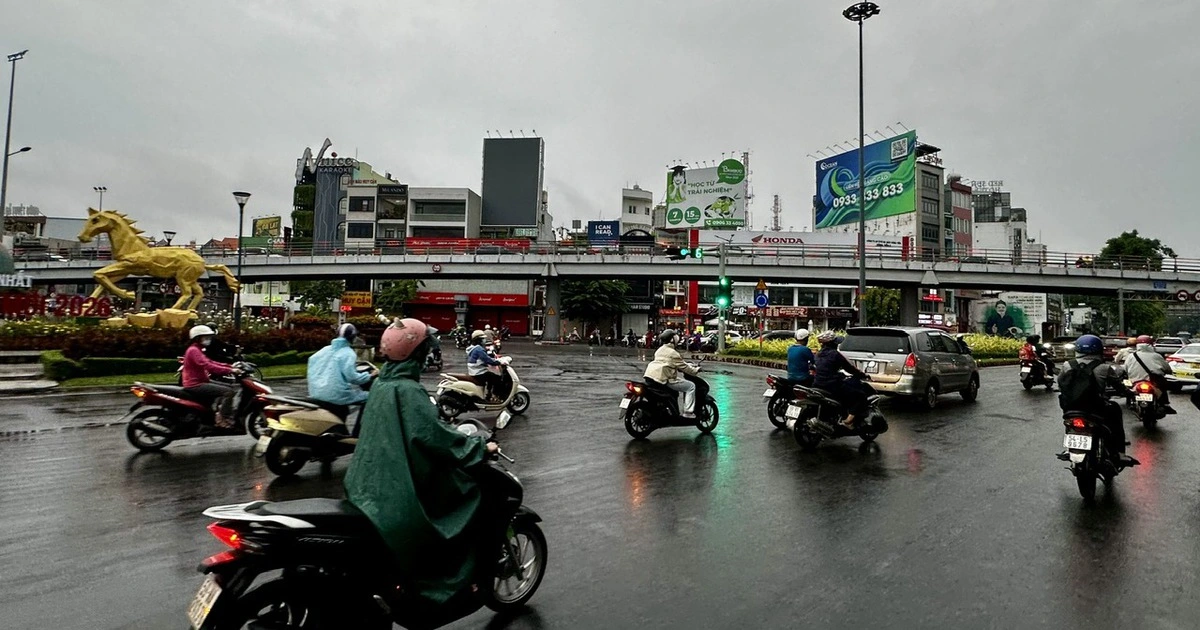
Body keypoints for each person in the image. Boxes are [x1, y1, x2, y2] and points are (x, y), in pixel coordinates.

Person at [344, 318, 501, 615]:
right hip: (396, 493)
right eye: (424, 350)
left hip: (365, 484)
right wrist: (479, 446)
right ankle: (448, 583)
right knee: (468, 495)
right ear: (415, 354)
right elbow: (437, 439)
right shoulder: (408, 391)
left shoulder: (381, 384)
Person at [1058, 335, 1136, 465]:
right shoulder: (1104, 368)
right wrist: (1128, 393)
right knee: (1115, 413)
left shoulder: (1067, 365)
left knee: (1070, 423)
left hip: (1071, 407)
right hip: (1095, 407)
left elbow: (1061, 382)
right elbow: (1118, 386)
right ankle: (1120, 453)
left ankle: (1068, 449)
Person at [307, 323, 376, 421]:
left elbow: (312, 362)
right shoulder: (348, 353)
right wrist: (370, 375)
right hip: (337, 396)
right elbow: (353, 378)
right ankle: (359, 431)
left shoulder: (324, 350)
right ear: (353, 337)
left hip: (315, 393)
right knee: (370, 396)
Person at [812, 331, 874, 428]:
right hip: (832, 385)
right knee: (860, 395)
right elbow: (849, 368)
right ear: (833, 343)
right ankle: (849, 420)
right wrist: (862, 375)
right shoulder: (835, 354)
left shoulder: (818, 354)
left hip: (817, 384)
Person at [181, 324, 238, 428]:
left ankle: (216, 412)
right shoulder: (194, 350)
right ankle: (223, 419)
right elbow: (208, 366)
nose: (208, 340)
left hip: (202, 380)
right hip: (195, 384)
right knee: (228, 392)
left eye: (209, 337)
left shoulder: (198, 349)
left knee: (230, 387)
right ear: (197, 338)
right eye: (205, 337)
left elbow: (210, 362)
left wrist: (229, 366)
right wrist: (230, 370)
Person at [644, 329, 700, 418]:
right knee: (691, 386)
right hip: (664, 379)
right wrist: (695, 370)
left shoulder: (659, 350)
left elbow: (670, 362)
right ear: (673, 339)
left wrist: (686, 365)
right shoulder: (673, 353)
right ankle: (688, 412)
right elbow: (684, 367)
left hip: (650, 376)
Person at [1124, 335, 1175, 413]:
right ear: (1151, 345)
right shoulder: (1157, 356)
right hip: (1154, 382)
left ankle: (1131, 402)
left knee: (1127, 387)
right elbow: (1167, 368)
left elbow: (1125, 368)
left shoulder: (1131, 356)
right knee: (1164, 385)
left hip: (1135, 381)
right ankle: (1164, 404)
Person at [467, 330, 506, 402]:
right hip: (478, 372)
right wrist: (499, 362)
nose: (485, 340)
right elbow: (488, 360)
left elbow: (485, 358)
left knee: (491, 377)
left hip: (474, 371)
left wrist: (494, 359)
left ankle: (489, 394)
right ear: (478, 340)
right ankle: (495, 396)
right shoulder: (479, 349)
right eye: (483, 339)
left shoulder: (472, 348)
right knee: (497, 378)